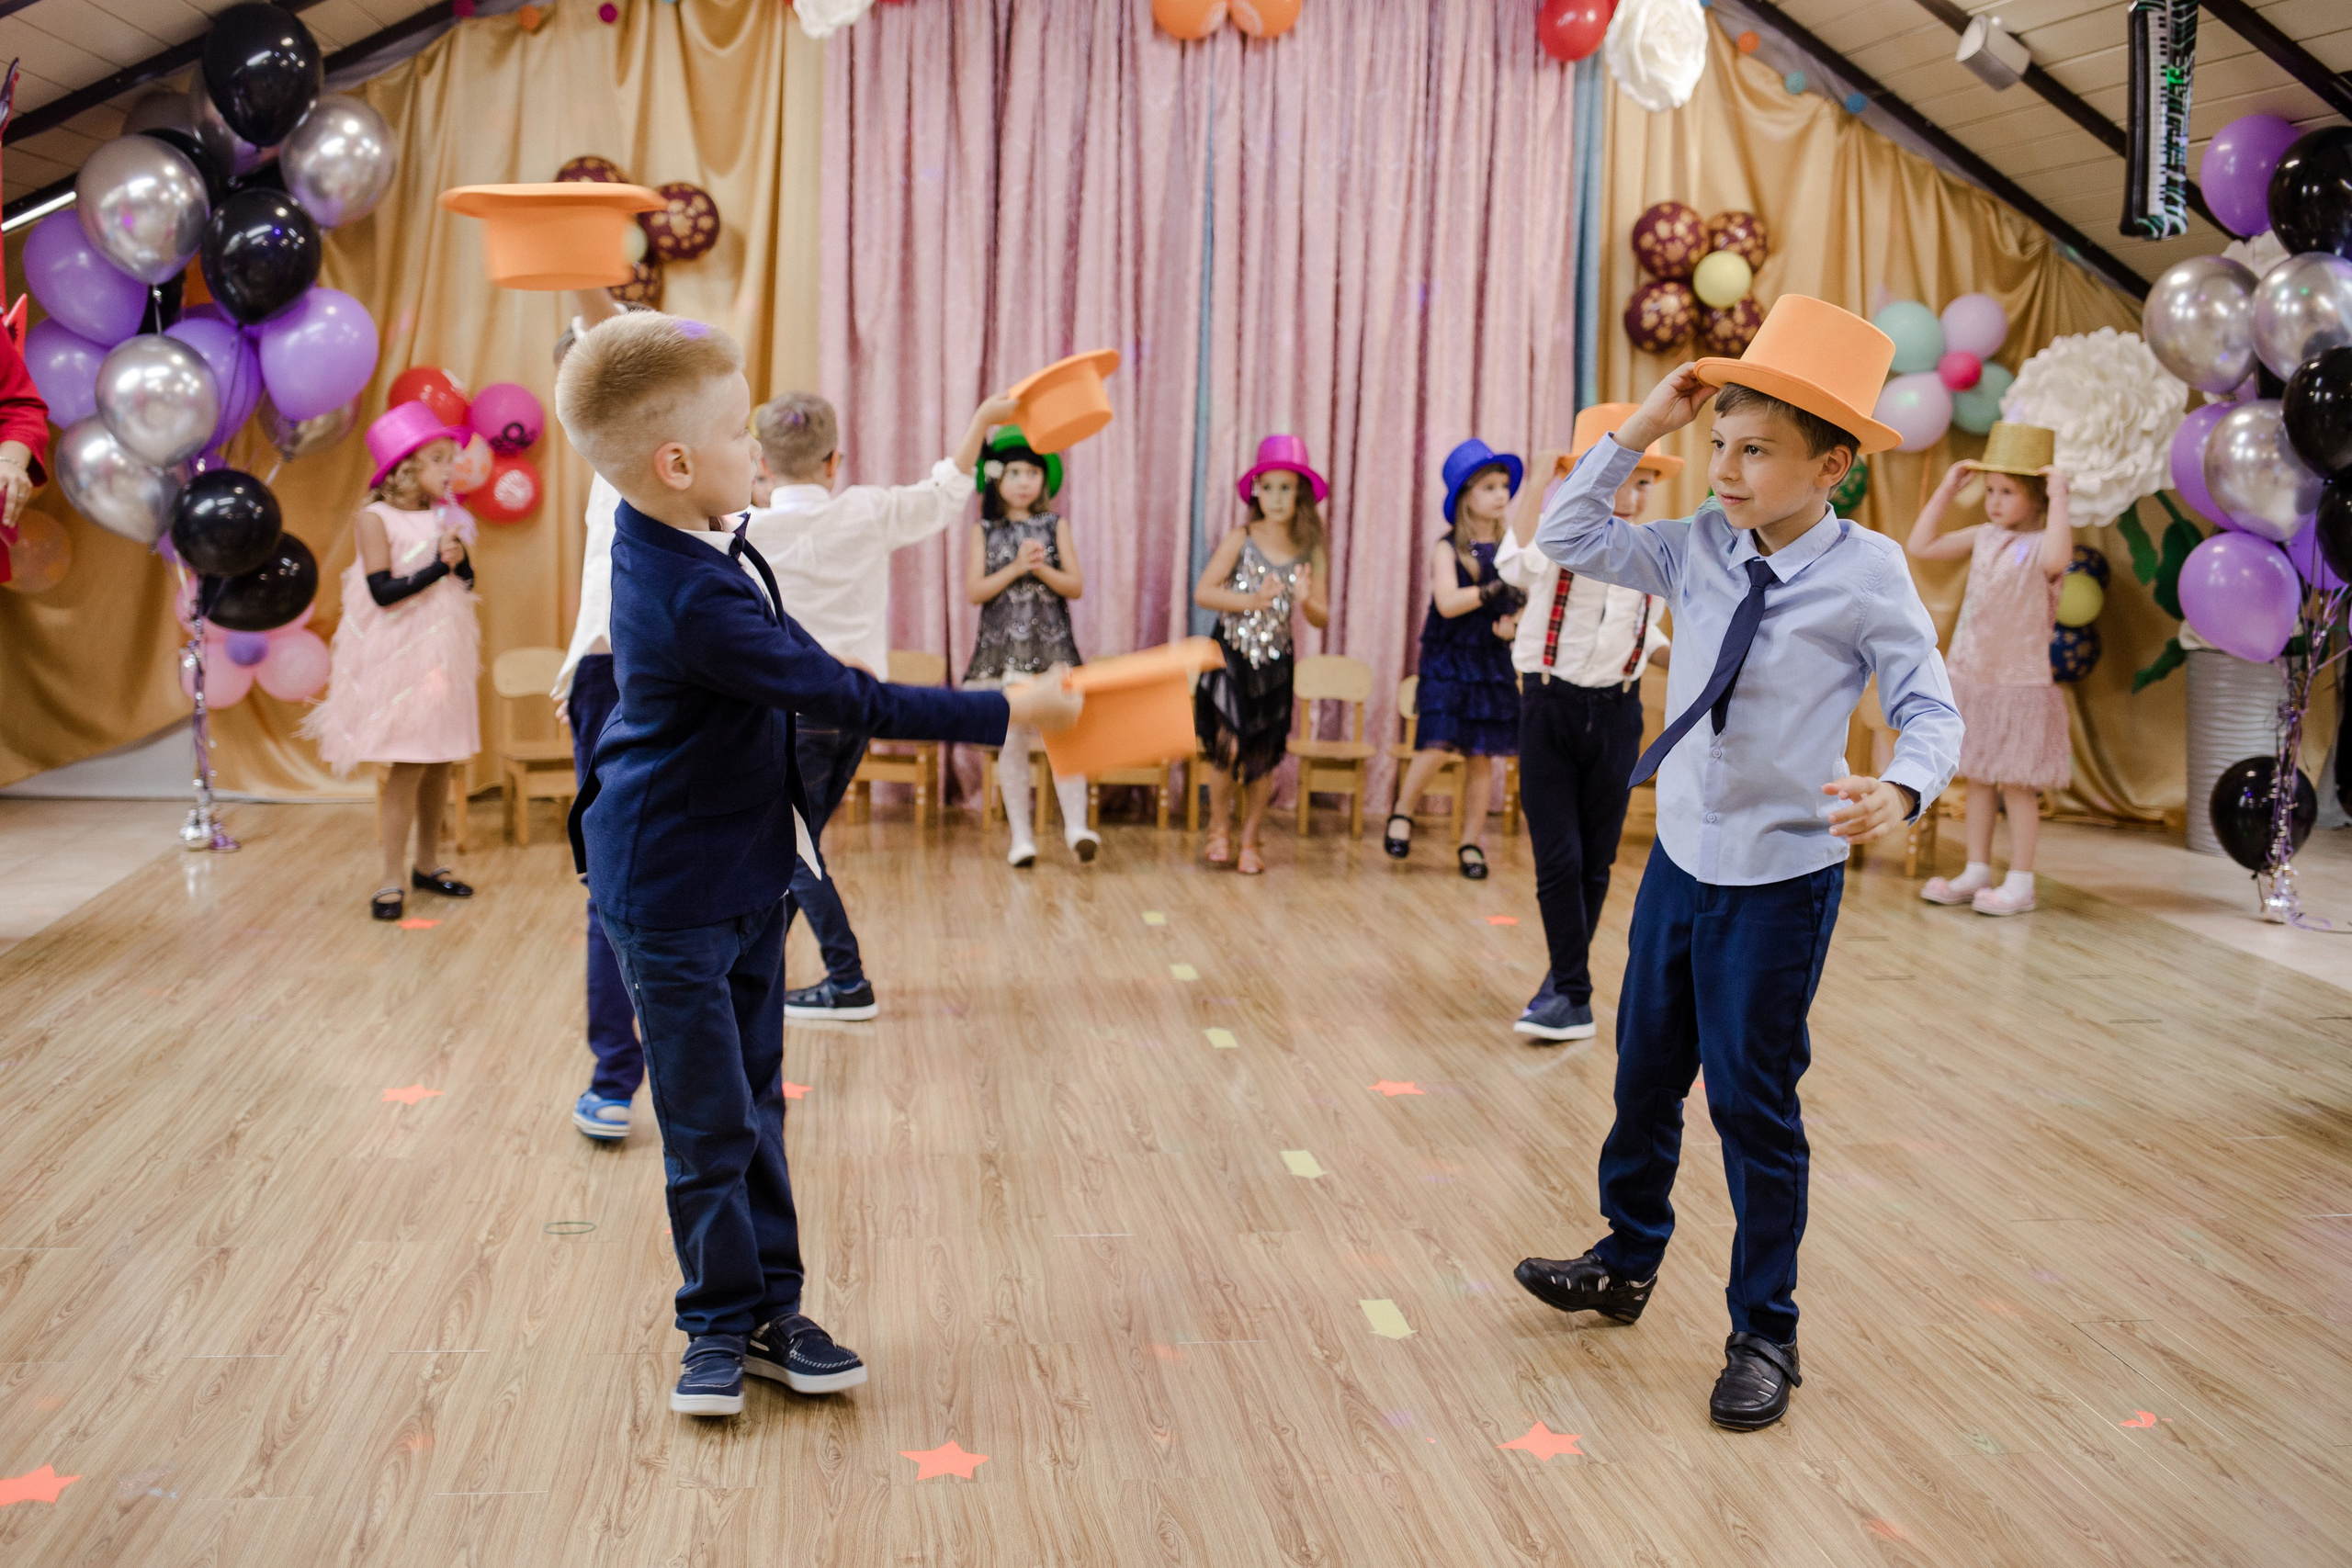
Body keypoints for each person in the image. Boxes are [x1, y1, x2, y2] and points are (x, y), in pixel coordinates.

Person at [555, 310, 1080, 1418]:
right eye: (743, 436)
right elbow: (842, 694)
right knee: (706, 1122)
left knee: (755, 1103)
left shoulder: (698, 529)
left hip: (742, 862)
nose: (762, 457)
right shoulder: (680, 583)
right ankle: (714, 1323)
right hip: (668, 885)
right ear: (677, 462)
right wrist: (1005, 706)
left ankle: (769, 1310)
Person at [1510, 296, 1961, 1432]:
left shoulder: (1869, 573)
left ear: (1832, 467)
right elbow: (1566, 538)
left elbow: (1929, 709)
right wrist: (1645, 422)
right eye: (1720, 443)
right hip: (1678, 858)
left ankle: (1766, 1328)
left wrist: (1899, 788)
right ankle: (1625, 1258)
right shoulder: (1696, 544)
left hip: (1778, 876)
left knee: (1753, 1106)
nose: (1725, 469)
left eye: (1755, 451)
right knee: (1641, 1076)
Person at [751, 389, 1021, 1001]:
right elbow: (947, 491)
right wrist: (980, 418)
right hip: (856, 711)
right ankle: (762, 977)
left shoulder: (745, 533)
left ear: (762, 464)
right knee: (797, 843)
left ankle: (846, 979)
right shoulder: (866, 510)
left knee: (790, 850)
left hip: (791, 715)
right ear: (833, 461)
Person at [1496, 406, 1674, 1043]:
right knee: (1559, 856)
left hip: (1619, 712)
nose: (1638, 491)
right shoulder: (1556, 535)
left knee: (1597, 859)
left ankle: (1564, 985)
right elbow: (1512, 565)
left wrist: (1684, 660)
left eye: (1648, 479)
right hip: (1550, 707)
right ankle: (1572, 989)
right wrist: (1543, 472)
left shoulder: (1654, 549)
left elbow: (1641, 631)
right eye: (1628, 475)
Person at [301, 401, 481, 921]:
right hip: (400, 657)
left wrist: (459, 562)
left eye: (451, 458)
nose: (451, 469)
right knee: (406, 765)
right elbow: (383, 591)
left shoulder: (446, 515)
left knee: (440, 762)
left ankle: (429, 864)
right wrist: (434, 566)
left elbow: (466, 584)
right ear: (405, 467)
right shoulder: (374, 518)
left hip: (443, 655)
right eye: (439, 459)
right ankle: (390, 876)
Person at [1906, 422, 2072, 917]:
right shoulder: (1984, 536)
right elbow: (1921, 546)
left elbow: (2061, 555)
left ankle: (2021, 881)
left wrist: (2060, 495)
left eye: (2007, 492)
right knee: (1977, 777)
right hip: (1972, 676)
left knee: (2017, 784)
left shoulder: (2044, 544)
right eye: (1991, 491)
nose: (1994, 501)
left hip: (2019, 683)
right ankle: (1977, 868)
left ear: (2038, 498)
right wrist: (1947, 490)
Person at [552, 289, 642, 1141]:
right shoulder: (611, 467)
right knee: (611, 889)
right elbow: (602, 337)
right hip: (611, 673)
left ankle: (686, 1073)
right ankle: (616, 1073)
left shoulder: (690, 453)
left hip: (676, 671)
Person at [1385, 439, 1526, 881]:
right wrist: (1491, 592)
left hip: (1490, 659)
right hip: (1449, 656)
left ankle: (1471, 841)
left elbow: (1525, 594)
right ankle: (1402, 813)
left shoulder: (1510, 547)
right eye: (1489, 486)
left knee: (1482, 756)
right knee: (1437, 741)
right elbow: (1447, 602)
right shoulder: (1447, 548)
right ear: (1466, 495)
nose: (1501, 494)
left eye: (1503, 485)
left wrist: (1513, 621)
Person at [1193, 434, 1332, 875]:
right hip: (1231, 657)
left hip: (1275, 666)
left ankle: (1251, 837)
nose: (1275, 497)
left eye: (1285, 488)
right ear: (1255, 491)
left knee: (1262, 756)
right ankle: (1219, 828)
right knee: (1227, 749)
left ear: (1301, 494)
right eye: (1267, 487)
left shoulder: (1311, 549)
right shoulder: (1241, 537)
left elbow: (1320, 617)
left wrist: (1306, 600)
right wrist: (1251, 600)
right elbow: (1204, 593)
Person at [964, 427, 1096, 867]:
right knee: (1012, 741)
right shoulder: (984, 530)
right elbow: (975, 591)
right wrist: (1016, 567)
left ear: (1044, 479)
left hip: (1051, 649)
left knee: (1064, 737)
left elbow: (1074, 586)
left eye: (1032, 472)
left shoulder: (1055, 526)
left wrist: (1041, 571)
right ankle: (1021, 837)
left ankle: (1077, 826)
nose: (1024, 481)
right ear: (997, 479)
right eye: (1015, 472)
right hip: (1004, 656)